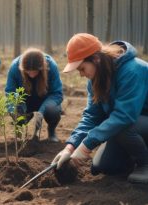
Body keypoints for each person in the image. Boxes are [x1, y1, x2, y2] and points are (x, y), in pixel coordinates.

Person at [52, 33, 148, 183]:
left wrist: (86, 146)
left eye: (82, 68)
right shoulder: (95, 80)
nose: (82, 75)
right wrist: (70, 147)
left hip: (134, 124)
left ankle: (145, 165)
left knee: (122, 127)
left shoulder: (133, 70)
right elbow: (92, 116)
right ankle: (136, 156)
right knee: (103, 167)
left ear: (96, 59)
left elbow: (124, 116)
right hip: (134, 128)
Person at [5, 48, 63, 142]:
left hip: (46, 101)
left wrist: (41, 112)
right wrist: (17, 109)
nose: (32, 75)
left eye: (35, 71)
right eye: (28, 71)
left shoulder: (51, 66)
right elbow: (10, 92)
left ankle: (51, 131)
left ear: (42, 67)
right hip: (24, 101)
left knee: (52, 111)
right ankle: (19, 133)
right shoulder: (15, 67)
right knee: (16, 109)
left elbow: (57, 93)